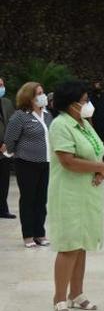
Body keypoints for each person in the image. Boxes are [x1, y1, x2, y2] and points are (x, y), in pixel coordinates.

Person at [47, 80, 104, 311]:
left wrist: (99, 169)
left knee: (82, 244)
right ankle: (59, 298)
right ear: (71, 103)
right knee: (69, 245)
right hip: (68, 193)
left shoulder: (84, 124)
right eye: (84, 101)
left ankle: (77, 293)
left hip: (87, 192)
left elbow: (95, 151)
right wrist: (100, 167)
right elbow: (68, 160)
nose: (88, 104)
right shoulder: (61, 125)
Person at [4, 82, 53, 247]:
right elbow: (10, 138)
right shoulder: (20, 116)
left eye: (42, 92)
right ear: (29, 97)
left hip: (45, 163)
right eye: (38, 93)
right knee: (28, 199)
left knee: (42, 200)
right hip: (26, 163)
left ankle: (40, 232)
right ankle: (28, 235)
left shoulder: (47, 115)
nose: (42, 96)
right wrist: (13, 152)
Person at [0, 77, 16, 219]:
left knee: (4, 181)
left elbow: (12, 124)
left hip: (5, 150)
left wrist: (9, 143)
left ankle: (3, 209)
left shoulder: (7, 102)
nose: (2, 87)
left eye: (2, 84)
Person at [89, 81, 104, 149]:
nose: (98, 87)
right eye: (96, 86)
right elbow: (90, 113)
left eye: (99, 86)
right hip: (96, 123)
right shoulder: (91, 98)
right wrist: (91, 123)